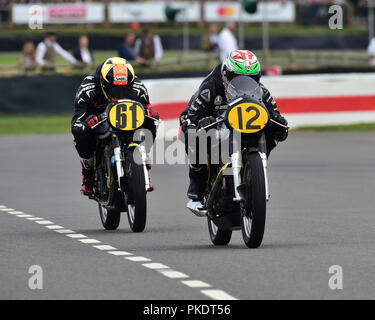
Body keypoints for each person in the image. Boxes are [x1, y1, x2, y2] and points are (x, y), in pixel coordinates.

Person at [179, 50, 288, 207]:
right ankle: (197, 186)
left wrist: (279, 123)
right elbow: (190, 117)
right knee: (192, 135)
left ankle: (254, 171)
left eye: (250, 79)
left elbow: (277, 118)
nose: (244, 84)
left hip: (243, 126)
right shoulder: (210, 89)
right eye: (237, 79)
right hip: (213, 122)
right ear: (225, 75)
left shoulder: (262, 92)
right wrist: (198, 124)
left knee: (271, 130)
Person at [71, 57, 159, 196]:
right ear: (104, 83)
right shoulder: (88, 87)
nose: (119, 91)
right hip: (98, 119)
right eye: (114, 88)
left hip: (127, 120)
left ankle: (143, 156)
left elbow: (147, 108)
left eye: (124, 87)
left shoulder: (138, 86)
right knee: (80, 133)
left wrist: (150, 113)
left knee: (151, 120)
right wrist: (87, 123)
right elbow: (77, 120)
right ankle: (88, 172)